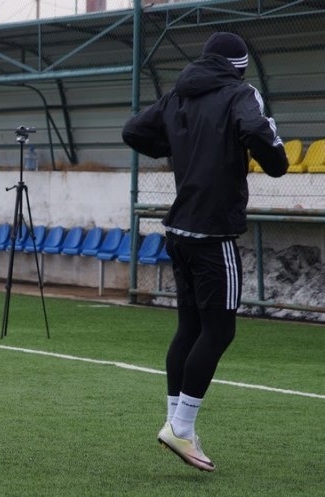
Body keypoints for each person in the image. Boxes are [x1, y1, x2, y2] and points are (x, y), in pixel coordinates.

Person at [122, 32, 288, 471]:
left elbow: (133, 130)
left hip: (178, 231)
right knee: (219, 331)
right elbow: (261, 134)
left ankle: (176, 424)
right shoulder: (240, 93)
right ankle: (180, 427)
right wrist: (274, 157)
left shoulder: (179, 93)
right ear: (239, 66)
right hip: (214, 232)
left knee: (190, 328)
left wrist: (175, 147)